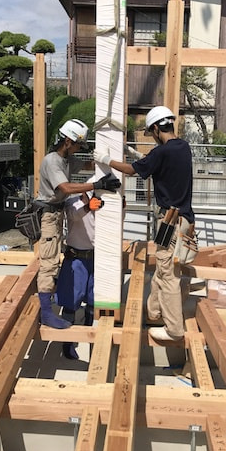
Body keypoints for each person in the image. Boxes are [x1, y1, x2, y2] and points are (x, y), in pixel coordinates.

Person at [94, 106, 196, 342]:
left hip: (169, 222)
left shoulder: (161, 153)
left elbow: (132, 171)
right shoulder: (183, 147)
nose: (152, 136)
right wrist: (132, 152)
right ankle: (155, 312)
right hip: (183, 220)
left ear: (156, 128)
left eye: (151, 132)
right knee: (164, 265)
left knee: (168, 274)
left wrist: (106, 160)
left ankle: (174, 330)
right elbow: (154, 163)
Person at [36, 118, 121, 329]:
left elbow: (88, 165)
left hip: (56, 214)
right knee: (49, 263)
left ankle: (48, 312)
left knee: (53, 260)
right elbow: (65, 188)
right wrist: (97, 184)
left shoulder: (66, 160)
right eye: (78, 145)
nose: (78, 149)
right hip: (48, 215)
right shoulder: (52, 161)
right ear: (68, 141)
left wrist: (106, 159)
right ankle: (46, 313)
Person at [56, 177, 101, 359]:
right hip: (76, 259)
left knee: (93, 300)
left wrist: (120, 207)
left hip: (96, 259)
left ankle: (89, 339)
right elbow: (74, 216)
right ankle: (67, 344)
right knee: (70, 302)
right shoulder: (73, 202)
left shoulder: (103, 205)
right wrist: (88, 206)